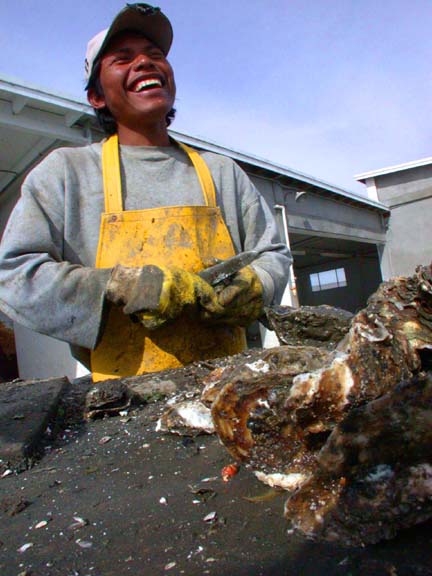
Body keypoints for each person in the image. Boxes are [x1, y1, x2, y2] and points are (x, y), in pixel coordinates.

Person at [0, 3, 291, 381]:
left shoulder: (221, 173)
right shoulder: (67, 174)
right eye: (123, 58)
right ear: (97, 97)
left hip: (228, 387)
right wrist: (118, 286)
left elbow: (273, 255)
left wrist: (252, 287)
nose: (145, 63)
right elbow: (16, 275)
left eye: (155, 56)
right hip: (124, 401)